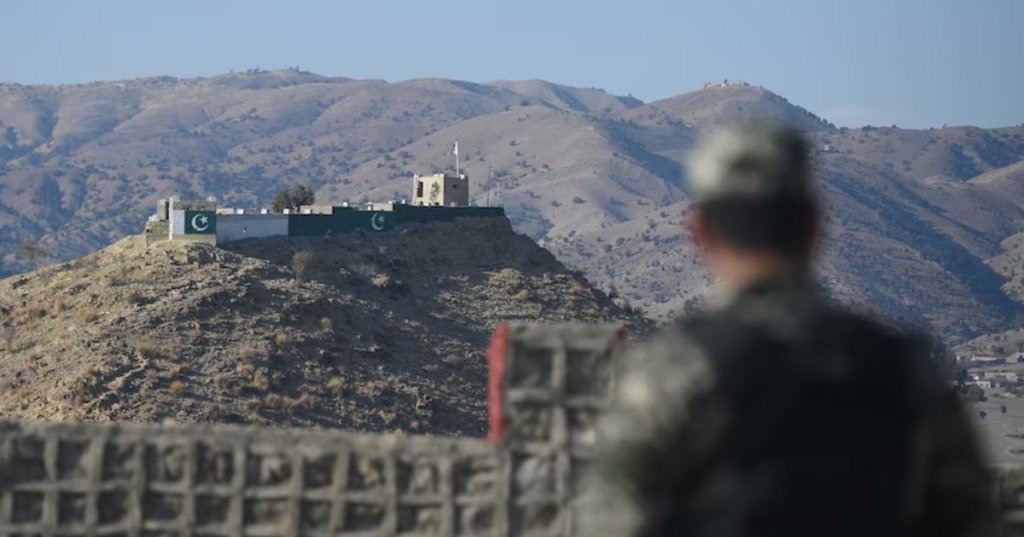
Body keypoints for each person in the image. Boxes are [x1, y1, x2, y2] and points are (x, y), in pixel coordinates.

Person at [588, 122, 995, 537]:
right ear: (815, 225)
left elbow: (609, 519)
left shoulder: (668, 373)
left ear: (700, 233)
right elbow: (970, 517)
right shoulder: (905, 369)